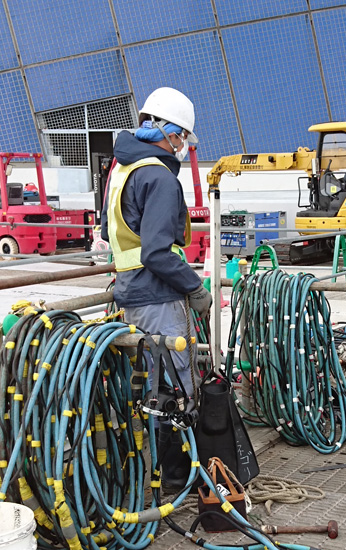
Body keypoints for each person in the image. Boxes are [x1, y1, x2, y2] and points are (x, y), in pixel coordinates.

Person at [102, 86, 212, 489]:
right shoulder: (160, 177)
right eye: (183, 137)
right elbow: (156, 253)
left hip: (130, 293)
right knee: (174, 385)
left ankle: (150, 473)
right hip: (158, 294)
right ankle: (175, 478)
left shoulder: (122, 169)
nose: (183, 146)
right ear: (170, 132)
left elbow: (109, 231)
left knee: (150, 381)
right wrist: (195, 287)